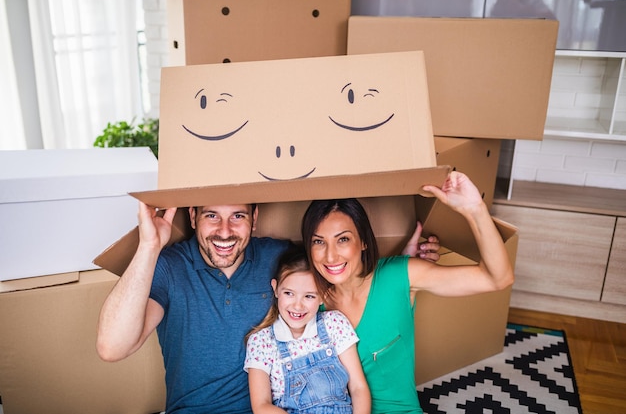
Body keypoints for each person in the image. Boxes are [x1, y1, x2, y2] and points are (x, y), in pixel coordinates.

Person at [96, 201, 440, 413]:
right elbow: (112, 347)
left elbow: (336, 267)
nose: (225, 231)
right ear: (193, 216)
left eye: (238, 216)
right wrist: (148, 246)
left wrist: (400, 268)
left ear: (255, 219)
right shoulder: (171, 266)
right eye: (212, 215)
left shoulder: (276, 257)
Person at [300, 171, 515, 414]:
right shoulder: (306, 299)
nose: (330, 256)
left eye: (343, 239)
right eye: (318, 241)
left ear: (363, 241)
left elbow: (498, 278)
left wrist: (474, 209)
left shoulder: (400, 276)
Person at [244, 245, 370, 414]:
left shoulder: (334, 324)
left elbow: (358, 387)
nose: (298, 305)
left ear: (323, 295)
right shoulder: (261, 341)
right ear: (275, 289)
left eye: (309, 296)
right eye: (289, 293)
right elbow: (261, 406)